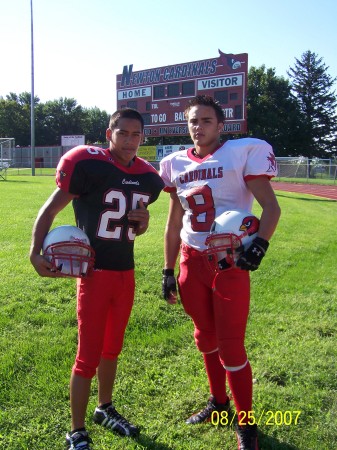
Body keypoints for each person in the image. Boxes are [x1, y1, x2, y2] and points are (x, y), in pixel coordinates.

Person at [30, 108, 164, 450]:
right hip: (94, 275)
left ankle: (104, 408)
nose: (130, 140)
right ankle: (76, 429)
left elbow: (136, 227)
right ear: (109, 134)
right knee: (87, 354)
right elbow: (50, 210)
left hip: (126, 274)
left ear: (143, 138)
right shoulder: (90, 165)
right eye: (124, 133)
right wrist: (35, 250)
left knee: (112, 349)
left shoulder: (148, 178)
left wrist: (144, 222)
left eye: (137, 134)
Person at [160, 95, 281, 450]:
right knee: (204, 337)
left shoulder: (240, 152)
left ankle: (246, 424)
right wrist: (168, 268)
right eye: (193, 121)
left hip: (227, 261)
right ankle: (218, 402)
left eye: (207, 120)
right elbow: (173, 223)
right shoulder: (174, 163)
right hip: (190, 259)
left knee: (230, 345)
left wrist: (260, 244)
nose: (199, 127)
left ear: (221, 125)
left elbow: (271, 207)